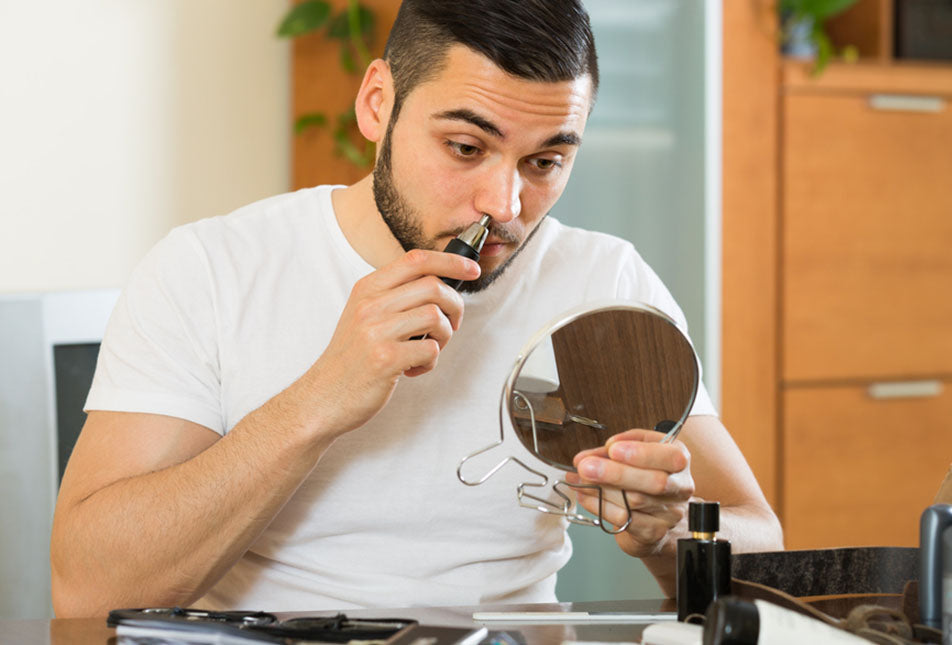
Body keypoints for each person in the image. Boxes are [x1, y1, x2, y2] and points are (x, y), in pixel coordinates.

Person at [50, 0, 782, 617]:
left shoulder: (601, 281)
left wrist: (669, 529)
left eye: (546, 162)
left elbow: (763, 554)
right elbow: (88, 589)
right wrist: (318, 400)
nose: (505, 206)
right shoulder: (213, 269)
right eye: (466, 147)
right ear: (378, 105)